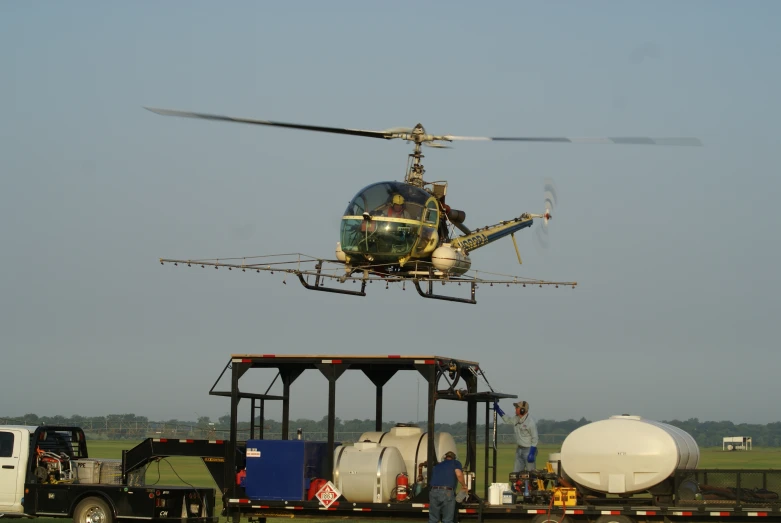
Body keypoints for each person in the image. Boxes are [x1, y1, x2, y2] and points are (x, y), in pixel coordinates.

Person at [494, 400, 539, 472]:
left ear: (522, 410)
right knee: (515, 474)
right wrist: (498, 410)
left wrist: (531, 453)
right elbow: (508, 420)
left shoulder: (530, 422)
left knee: (531, 474)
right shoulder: (516, 418)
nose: (515, 409)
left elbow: (535, 438)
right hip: (519, 450)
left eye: (517, 407)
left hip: (528, 450)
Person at [429, 450, 467, 523]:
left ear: (445, 458)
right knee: (447, 520)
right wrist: (464, 486)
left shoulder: (437, 465)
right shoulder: (455, 463)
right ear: (454, 458)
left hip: (433, 491)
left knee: (433, 519)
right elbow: (459, 474)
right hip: (447, 492)